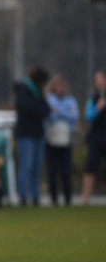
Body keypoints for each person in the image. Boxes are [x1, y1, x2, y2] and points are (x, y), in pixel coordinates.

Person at [14, 65, 51, 206]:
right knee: (26, 166)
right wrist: (40, 110)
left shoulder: (37, 91)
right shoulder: (23, 89)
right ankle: (23, 196)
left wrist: (40, 110)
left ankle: (35, 196)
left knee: (36, 167)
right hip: (25, 133)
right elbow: (30, 108)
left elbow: (46, 109)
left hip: (38, 133)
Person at [44, 75, 78, 206]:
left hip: (66, 139)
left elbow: (73, 116)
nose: (61, 89)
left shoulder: (71, 100)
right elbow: (50, 115)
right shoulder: (49, 99)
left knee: (66, 170)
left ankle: (68, 198)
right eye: (58, 86)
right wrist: (64, 113)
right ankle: (54, 199)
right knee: (52, 171)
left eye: (63, 86)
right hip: (51, 139)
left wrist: (58, 112)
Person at [80, 69, 106, 205]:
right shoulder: (93, 98)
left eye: (102, 80)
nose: (99, 83)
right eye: (97, 81)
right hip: (96, 137)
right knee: (90, 168)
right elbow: (88, 116)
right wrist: (98, 108)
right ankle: (85, 199)